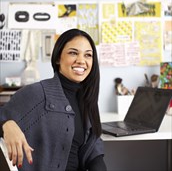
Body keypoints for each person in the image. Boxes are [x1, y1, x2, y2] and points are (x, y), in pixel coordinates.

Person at [0, 29, 107, 171]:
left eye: (88, 55)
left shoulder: (87, 99)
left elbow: (93, 148)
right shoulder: (37, 93)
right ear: (58, 58)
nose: (81, 60)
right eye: (73, 53)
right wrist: (6, 125)